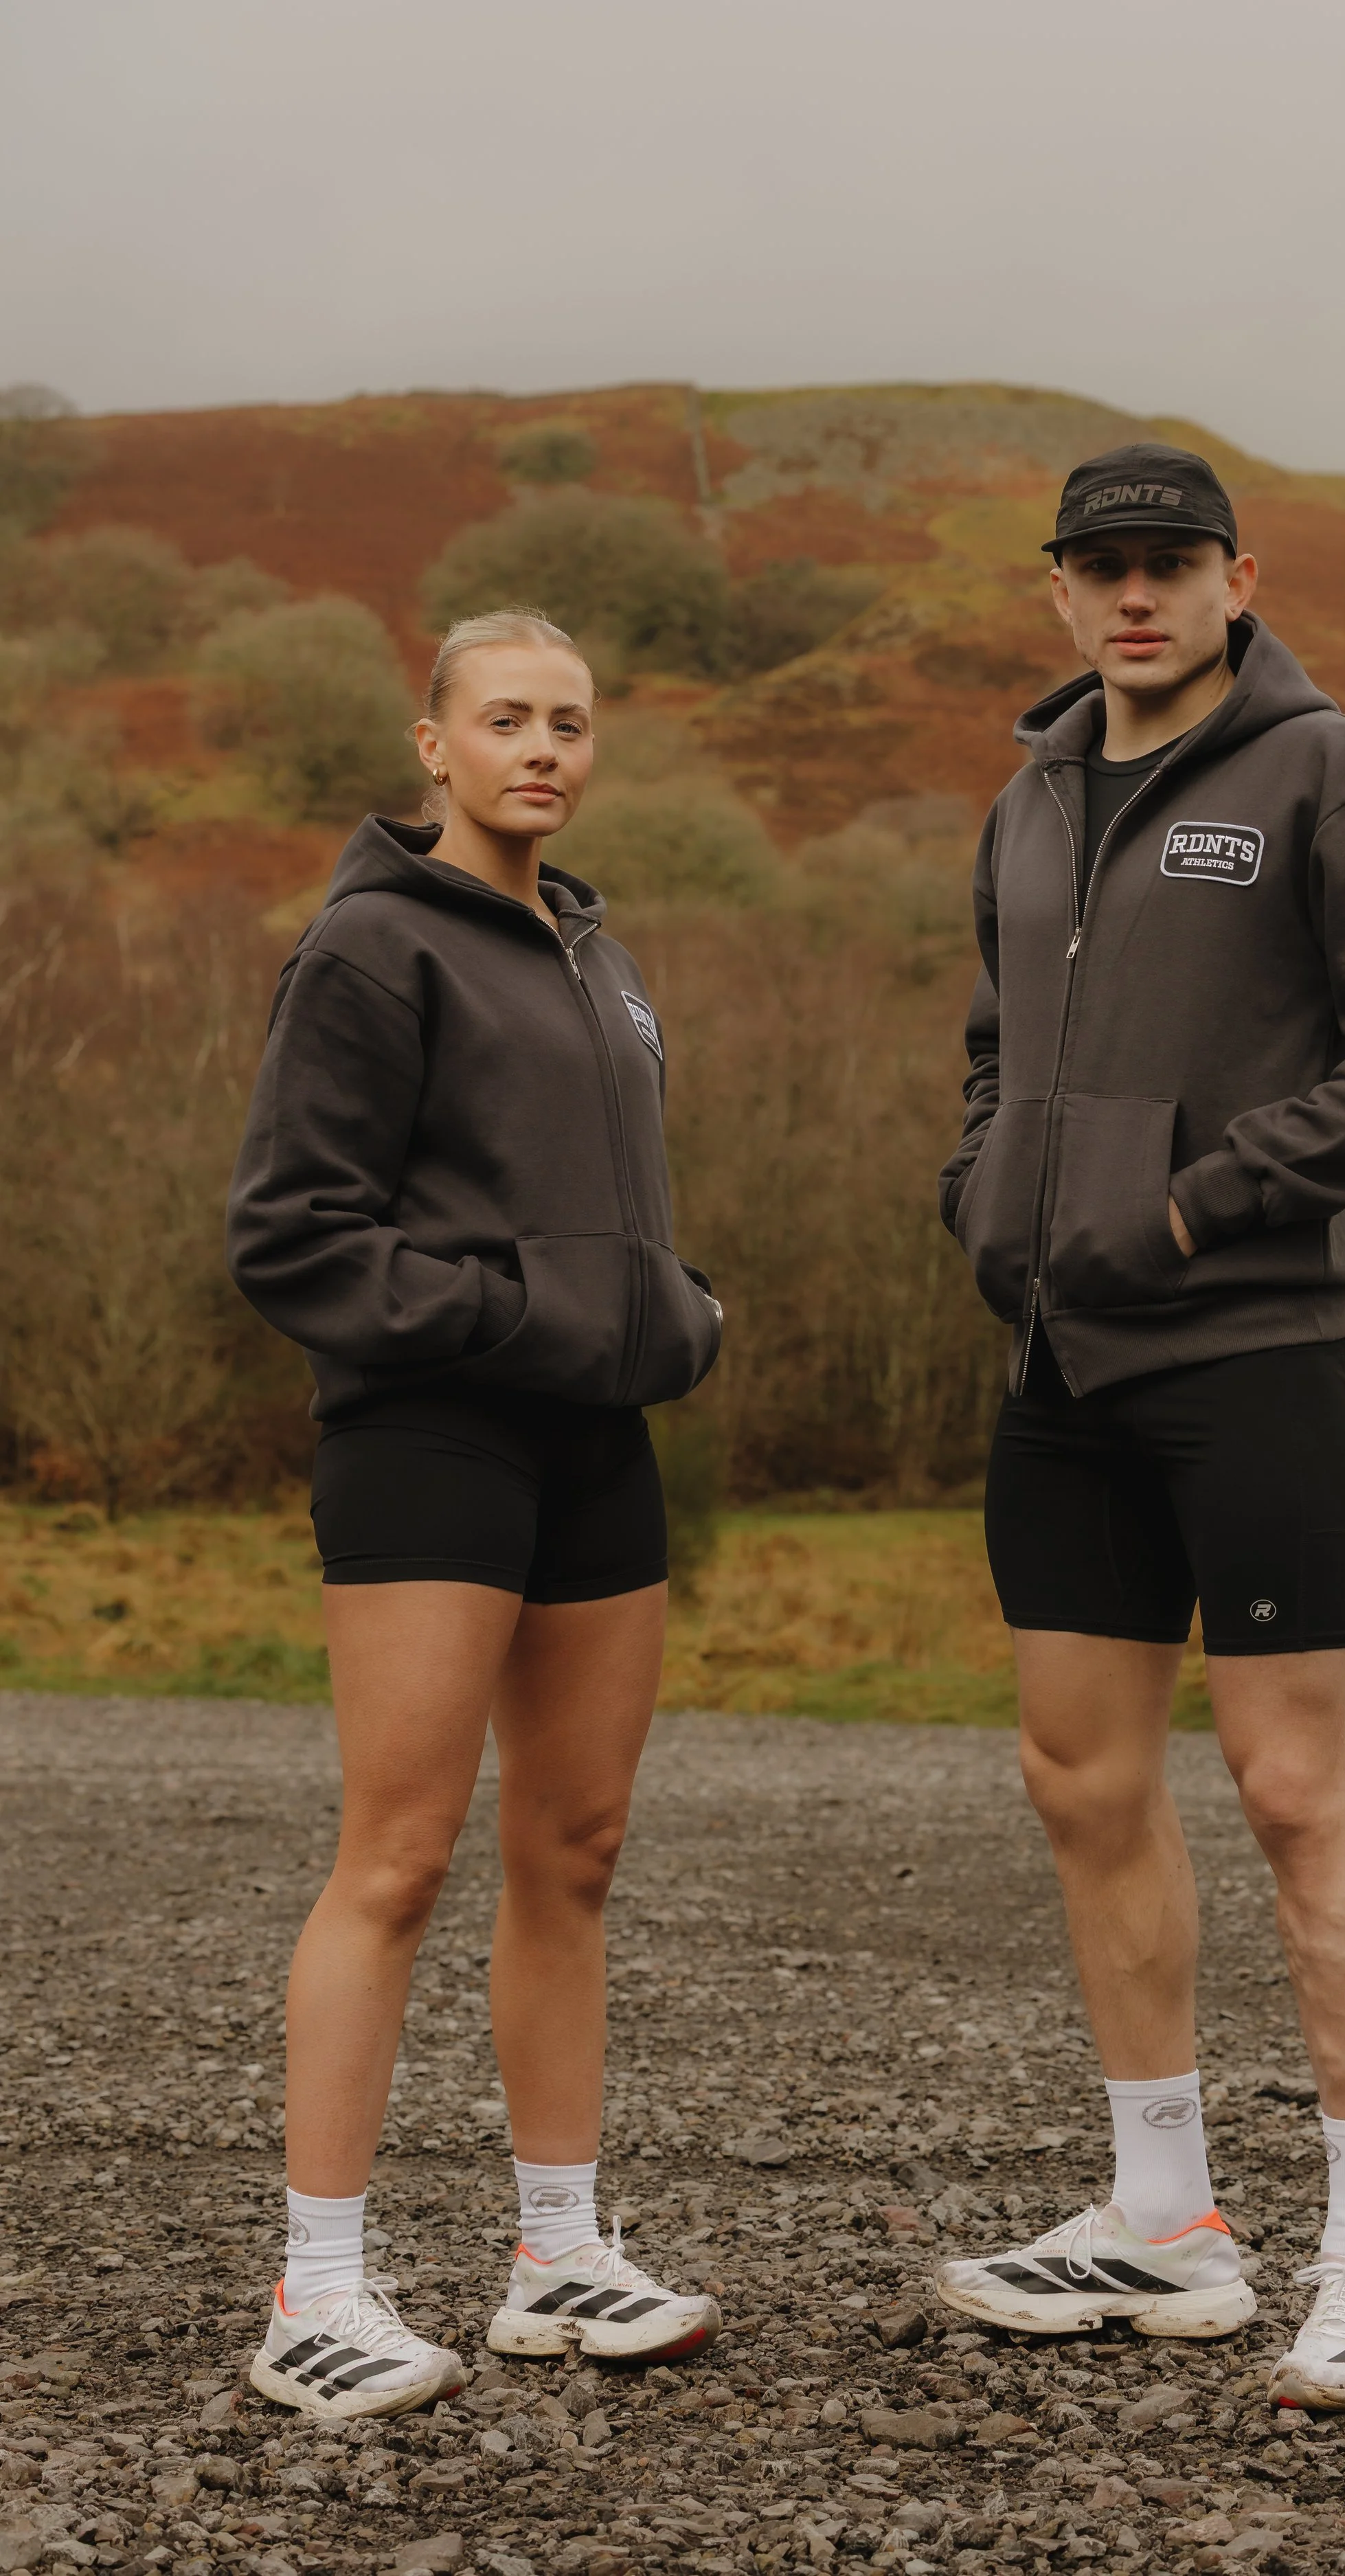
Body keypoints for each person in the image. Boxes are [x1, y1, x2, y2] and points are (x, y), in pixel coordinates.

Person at [933, 444, 1345, 2410]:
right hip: (1058, 1366)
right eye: (1099, 565)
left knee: (1288, 1787)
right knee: (1081, 1779)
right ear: (1059, 589)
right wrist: (981, 1188)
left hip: (1251, 1346)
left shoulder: (1321, 772)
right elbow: (998, 1039)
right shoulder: (1023, 794)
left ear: (1236, 576)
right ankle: (1163, 2219)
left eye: (1169, 562)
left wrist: (1199, 1199)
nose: (1134, 595)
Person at [227, 607, 725, 2419]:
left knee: (573, 1851)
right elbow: (290, 1231)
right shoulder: (368, 948)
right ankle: (320, 2288)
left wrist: (668, 1314)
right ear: (431, 744)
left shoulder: (592, 947)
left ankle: (556, 2256)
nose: (543, 750)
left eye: (571, 722)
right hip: (434, 1434)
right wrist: (516, 1317)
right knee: (398, 1856)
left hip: (598, 1439)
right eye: (506, 719)